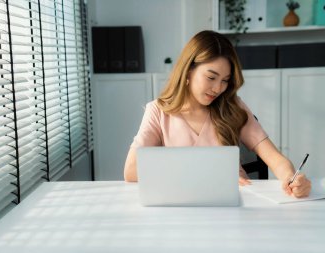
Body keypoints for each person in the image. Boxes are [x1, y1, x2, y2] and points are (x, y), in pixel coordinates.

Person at [123, 30, 311, 198]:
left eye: (225, 80)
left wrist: (291, 177)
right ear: (188, 70)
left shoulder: (233, 106)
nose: (218, 88)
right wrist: (204, 174)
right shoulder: (158, 111)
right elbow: (131, 171)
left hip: (237, 201)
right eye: (211, 77)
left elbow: (275, 158)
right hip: (183, 205)